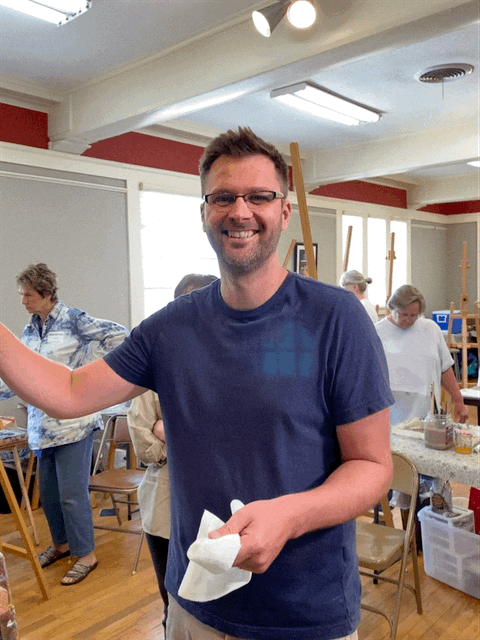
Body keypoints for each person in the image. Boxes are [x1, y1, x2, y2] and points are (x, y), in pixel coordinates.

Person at [0, 129, 394, 640]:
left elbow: (372, 465)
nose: (240, 211)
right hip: (195, 602)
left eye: (259, 196)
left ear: (284, 212)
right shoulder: (171, 328)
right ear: (204, 211)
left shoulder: (336, 319)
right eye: (223, 197)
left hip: (303, 610)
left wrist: (291, 515)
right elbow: (71, 392)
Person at [0, 263, 128, 586]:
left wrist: (87, 374)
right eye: (22, 295)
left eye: (28, 295)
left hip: (74, 424)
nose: (23, 301)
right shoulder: (31, 330)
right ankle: (62, 545)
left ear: (46, 294)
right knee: (50, 496)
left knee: (72, 495)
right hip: (42, 428)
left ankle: (86, 555)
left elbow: (120, 335)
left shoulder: (74, 320)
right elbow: (23, 375)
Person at [127, 273, 218, 630]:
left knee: (216, 608)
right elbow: (142, 439)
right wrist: (182, 442)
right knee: (174, 604)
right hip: (164, 503)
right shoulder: (157, 366)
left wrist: (169, 430)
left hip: (219, 507)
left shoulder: (233, 364)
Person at [375, 284, 468, 426]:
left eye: (413, 315)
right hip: (390, 412)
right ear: (391, 308)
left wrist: (459, 401)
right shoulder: (377, 332)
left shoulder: (430, 329)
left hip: (425, 410)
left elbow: (445, 369)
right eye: (403, 314)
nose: (408, 320)